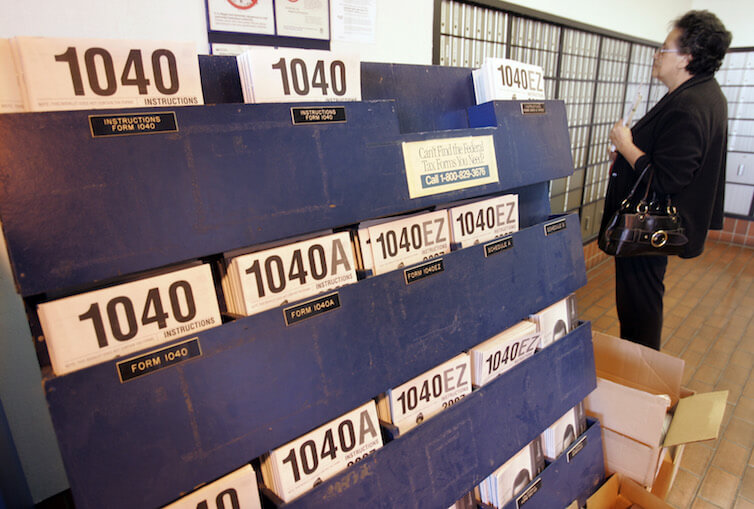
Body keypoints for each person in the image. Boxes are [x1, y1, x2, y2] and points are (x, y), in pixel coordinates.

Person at [599, 10, 732, 350]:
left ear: (687, 57)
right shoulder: (702, 93)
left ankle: (641, 382)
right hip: (653, 225)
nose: (656, 56)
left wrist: (626, 146)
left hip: (649, 227)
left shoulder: (689, 105)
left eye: (663, 49)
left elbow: (668, 180)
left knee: (639, 308)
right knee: (641, 303)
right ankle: (640, 376)